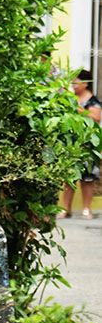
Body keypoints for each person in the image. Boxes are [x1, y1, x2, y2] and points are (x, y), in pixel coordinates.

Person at [59, 69, 102, 219]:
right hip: (71, 143)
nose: (74, 85)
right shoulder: (70, 98)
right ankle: (65, 208)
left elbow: (95, 118)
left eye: (76, 81)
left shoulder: (93, 101)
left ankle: (86, 209)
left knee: (88, 178)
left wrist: (78, 110)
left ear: (85, 83)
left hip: (89, 143)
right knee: (68, 176)